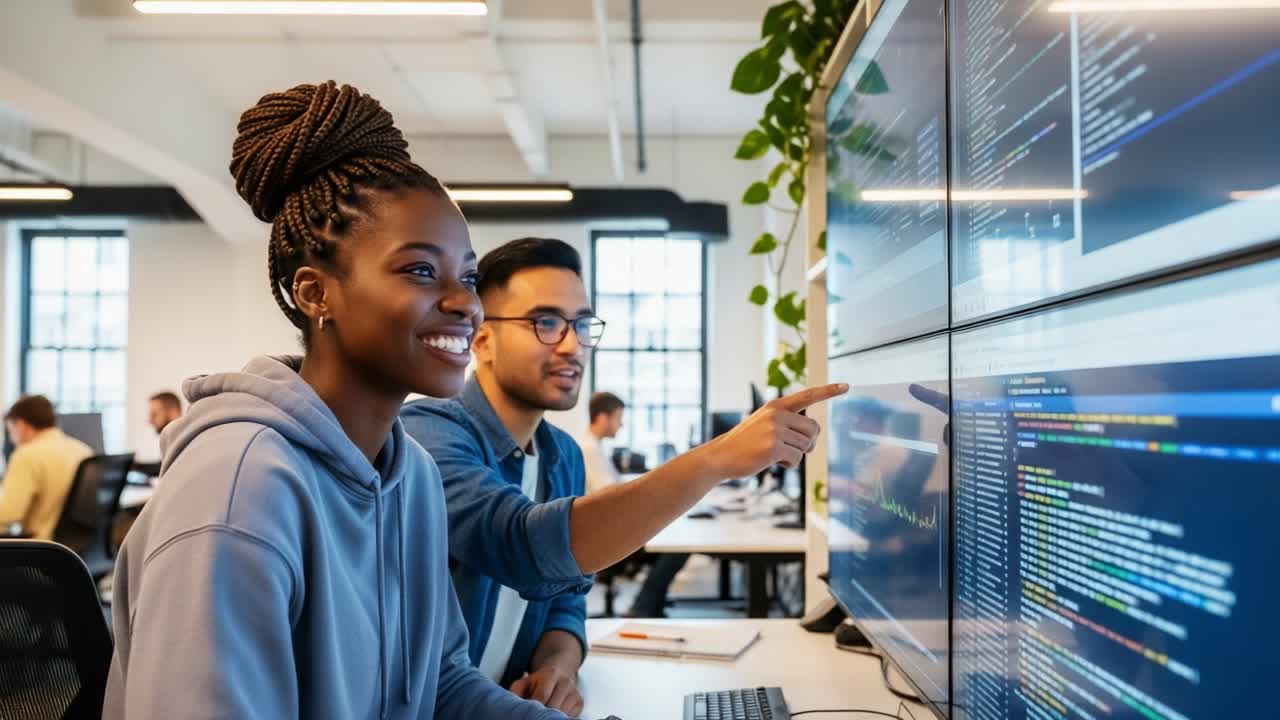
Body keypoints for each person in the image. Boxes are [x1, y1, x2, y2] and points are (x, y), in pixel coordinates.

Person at [104, 81, 591, 720]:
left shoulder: (409, 474)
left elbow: (442, 683)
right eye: (420, 271)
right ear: (315, 293)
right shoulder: (238, 489)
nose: (465, 303)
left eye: (467, 277)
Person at [401, 237, 846, 714]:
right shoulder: (427, 433)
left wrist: (558, 667)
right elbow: (520, 544)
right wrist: (717, 458)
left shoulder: (563, 455)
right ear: (483, 339)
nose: (573, 346)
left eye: (582, 324)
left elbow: (567, 601)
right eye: (546, 322)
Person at [0, 395, 93, 539]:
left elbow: (10, 513)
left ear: (20, 425)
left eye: (10, 429)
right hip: (80, 551)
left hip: (43, 548)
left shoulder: (26, 455)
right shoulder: (83, 449)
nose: (11, 438)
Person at [576, 392, 624, 494]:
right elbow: (607, 492)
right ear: (602, 418)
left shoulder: (594, 445)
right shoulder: (589, 448)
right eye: (618, 417)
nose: (621, 424)